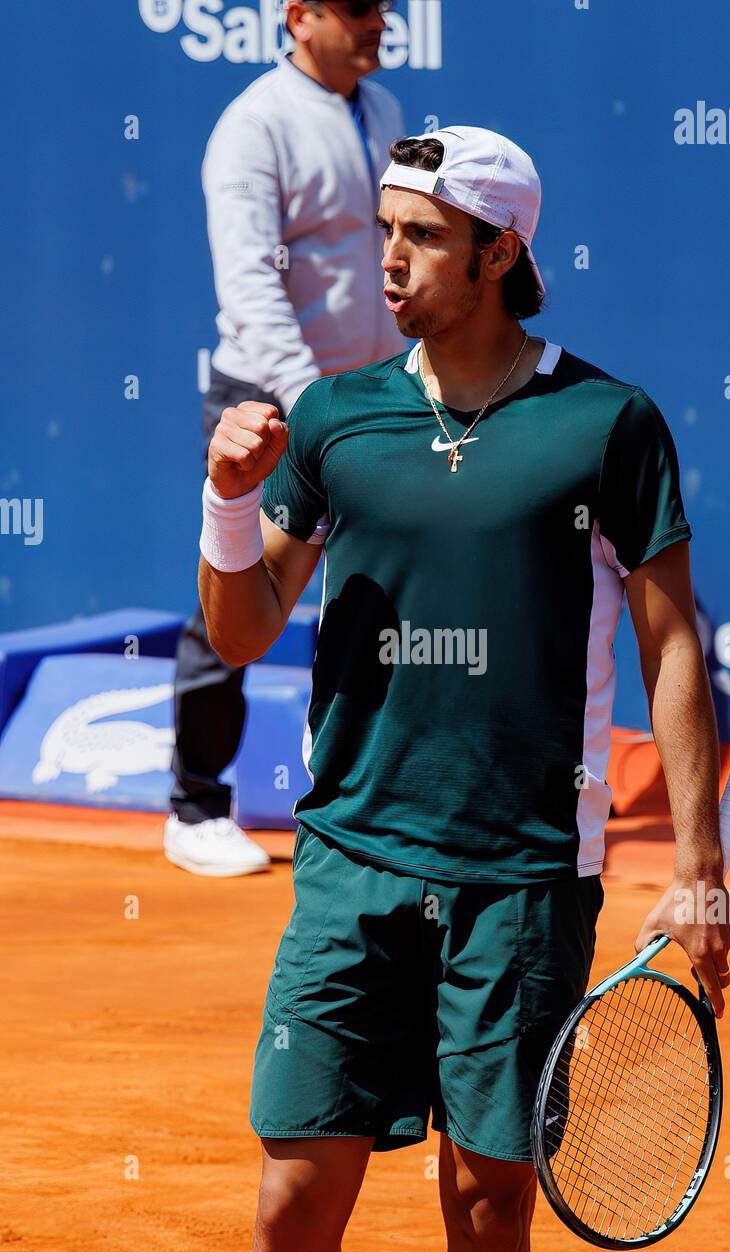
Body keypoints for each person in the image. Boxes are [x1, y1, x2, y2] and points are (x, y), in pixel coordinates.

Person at [199, 125, 730, 1252]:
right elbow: (239, 632)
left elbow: (671, 642)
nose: (389, 259)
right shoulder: (335, 419)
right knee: (291, 1202)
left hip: (525, 878)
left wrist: (699, 859)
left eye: (423, 237)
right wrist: (227, 505)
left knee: (488, 1210)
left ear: (499, 255)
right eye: (385, 230)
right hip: (349, 864)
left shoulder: (607, 424)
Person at [165, 0, 404, 876]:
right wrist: (317, 407)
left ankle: (350, 802)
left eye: (383, 5)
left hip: (370, 399)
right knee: (239, 588)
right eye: (355, 8)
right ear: (301, 18)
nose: (377, 20)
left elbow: (393, 266)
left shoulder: (383, 111)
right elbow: (251, 290)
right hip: (270, 403)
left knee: (371, 597)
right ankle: (194, 805)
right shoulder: (252, 128)